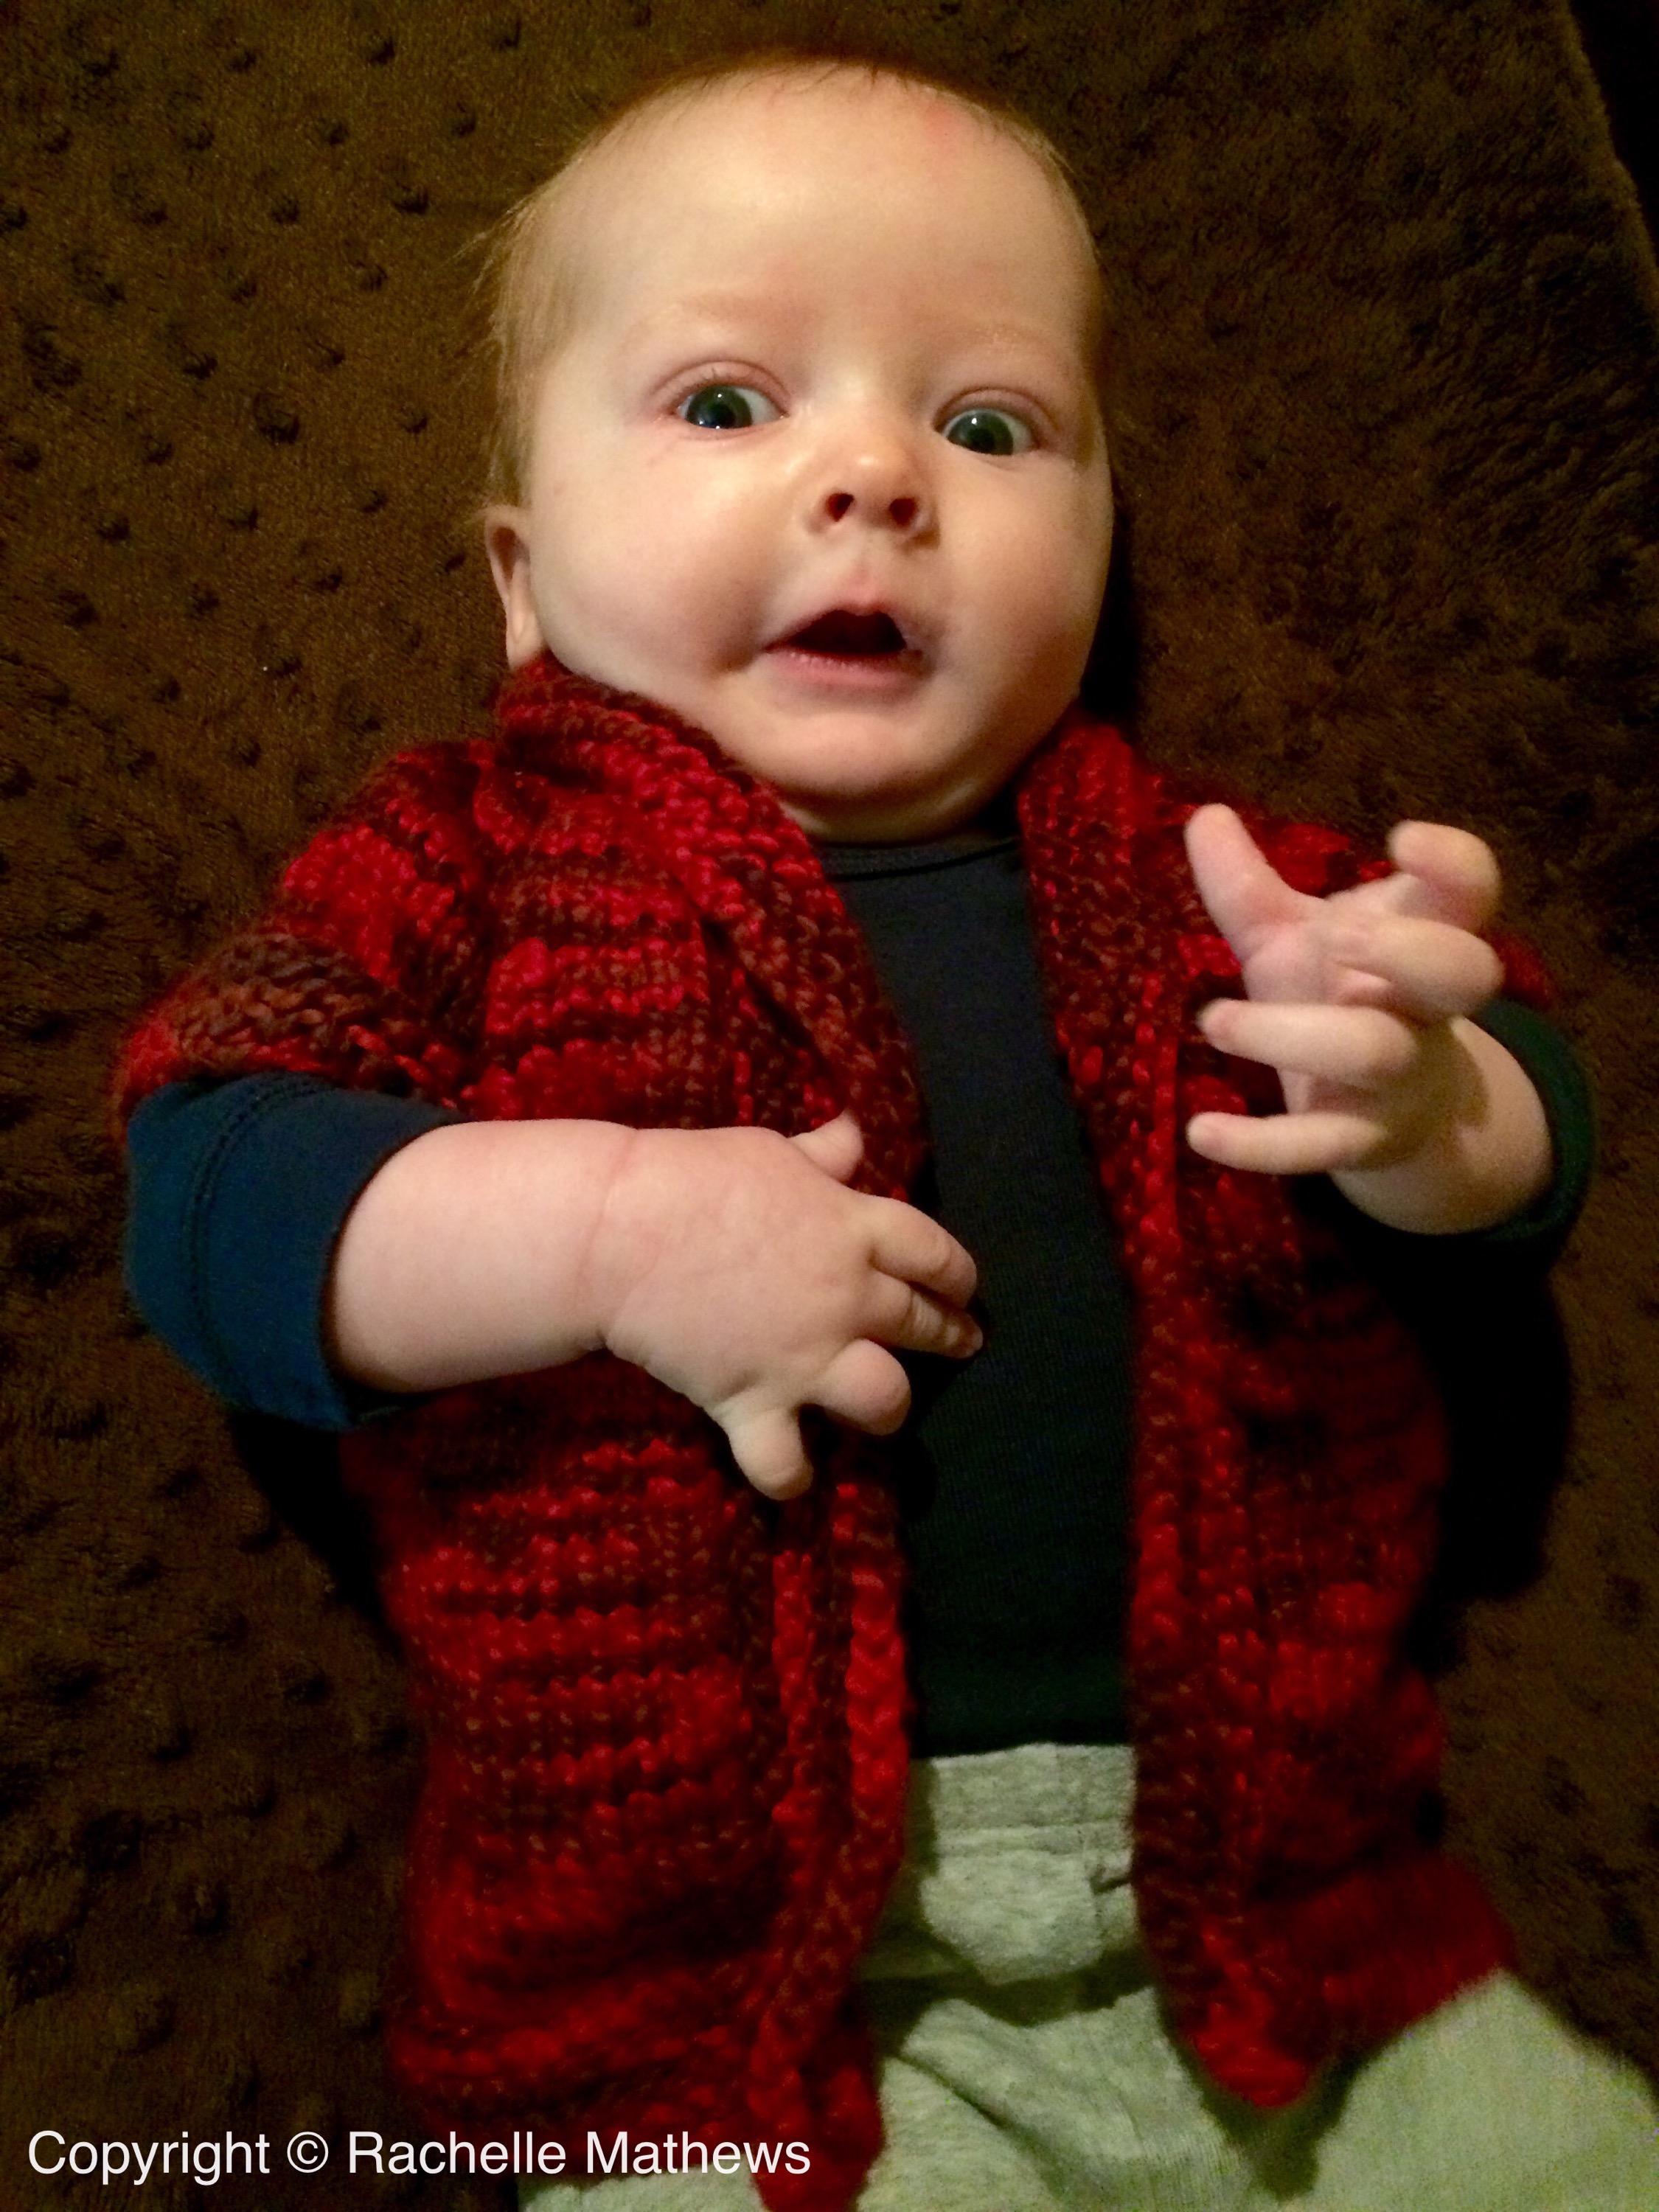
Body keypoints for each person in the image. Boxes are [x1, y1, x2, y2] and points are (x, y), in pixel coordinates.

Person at [115, 48, 1658, 2212]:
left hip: (1314, 1935)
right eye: (727, 402)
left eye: (990, 426)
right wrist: (600, 1232)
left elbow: (1534, 1152)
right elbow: (210, 1189)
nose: (875, 476)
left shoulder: (1223, 885)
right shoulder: (464, 863)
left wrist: (1427, 1100)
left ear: (1101, 550)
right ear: (523, 580)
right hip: (707, 2010)